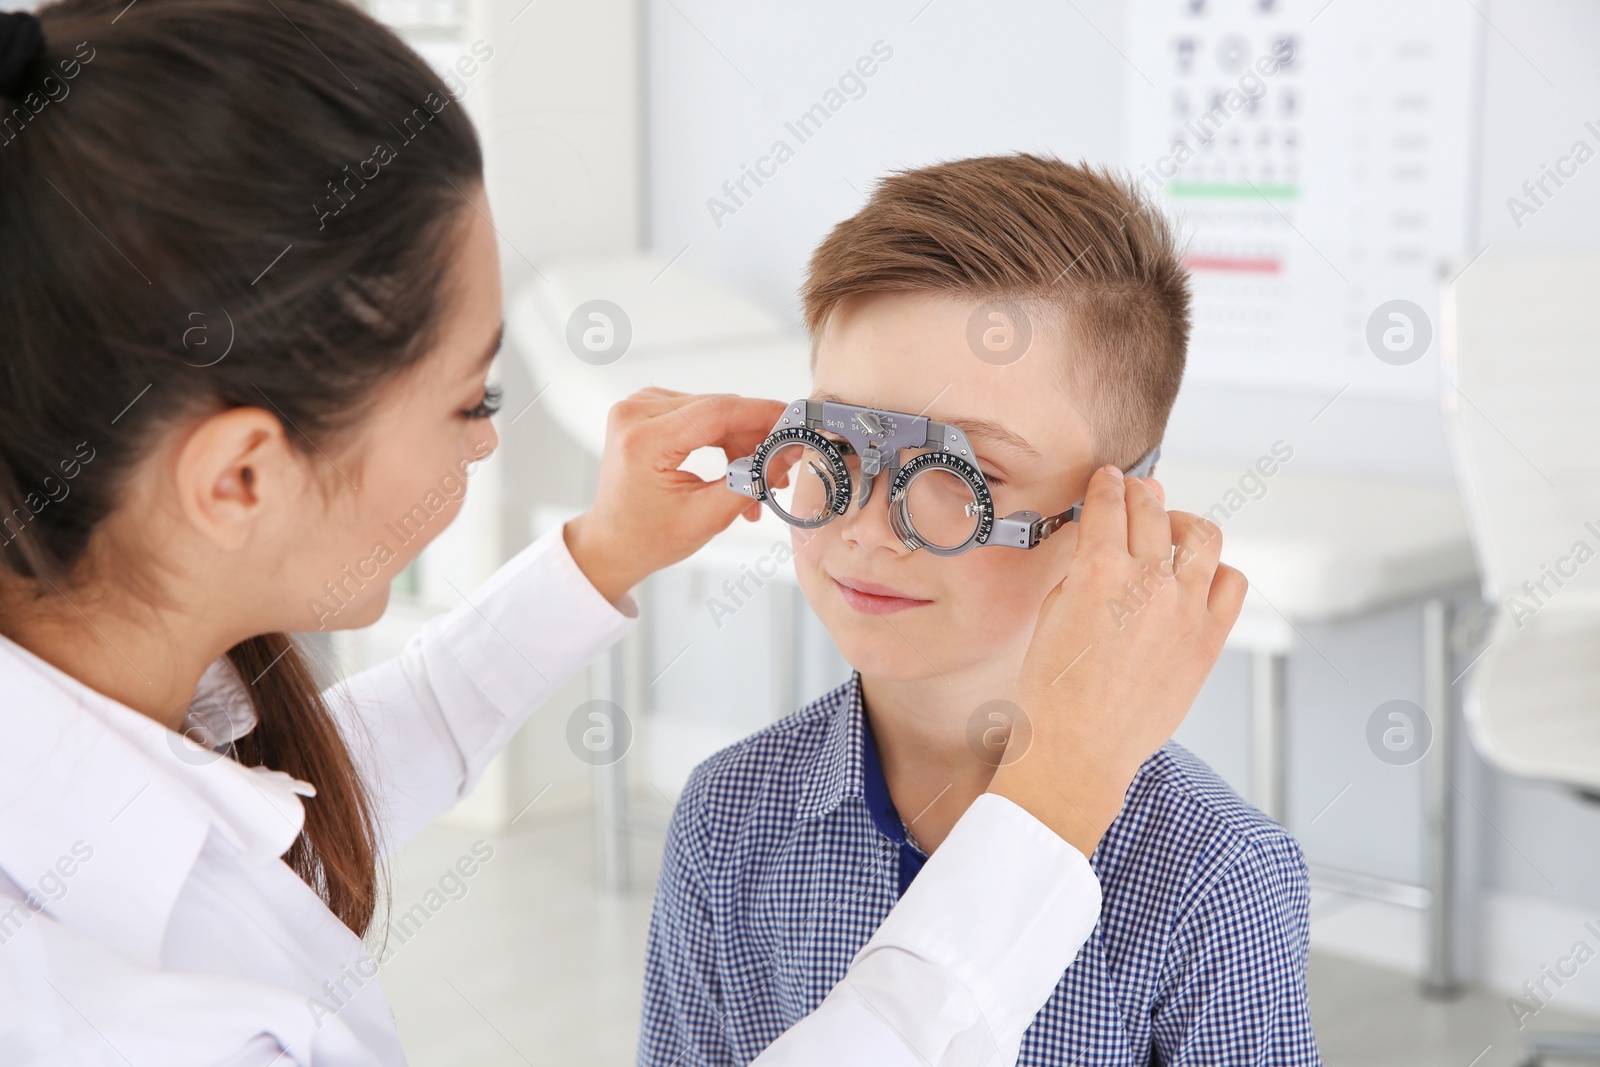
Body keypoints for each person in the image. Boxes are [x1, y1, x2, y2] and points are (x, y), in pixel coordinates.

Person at [0, 3, 1244, 1065]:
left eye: (953, 476)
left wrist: (601, 554)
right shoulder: (110, 1014)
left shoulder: (1214, 885)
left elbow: (298, 793)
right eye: (469, 398)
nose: (488, 444)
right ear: (239, 478)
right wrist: (1059, 794)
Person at [639, 156, 1316, 1066]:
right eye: (835, 442)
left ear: (1117, 514)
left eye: (967, 474)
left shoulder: (1216, 879)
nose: (870, 526)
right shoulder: (728, 819)